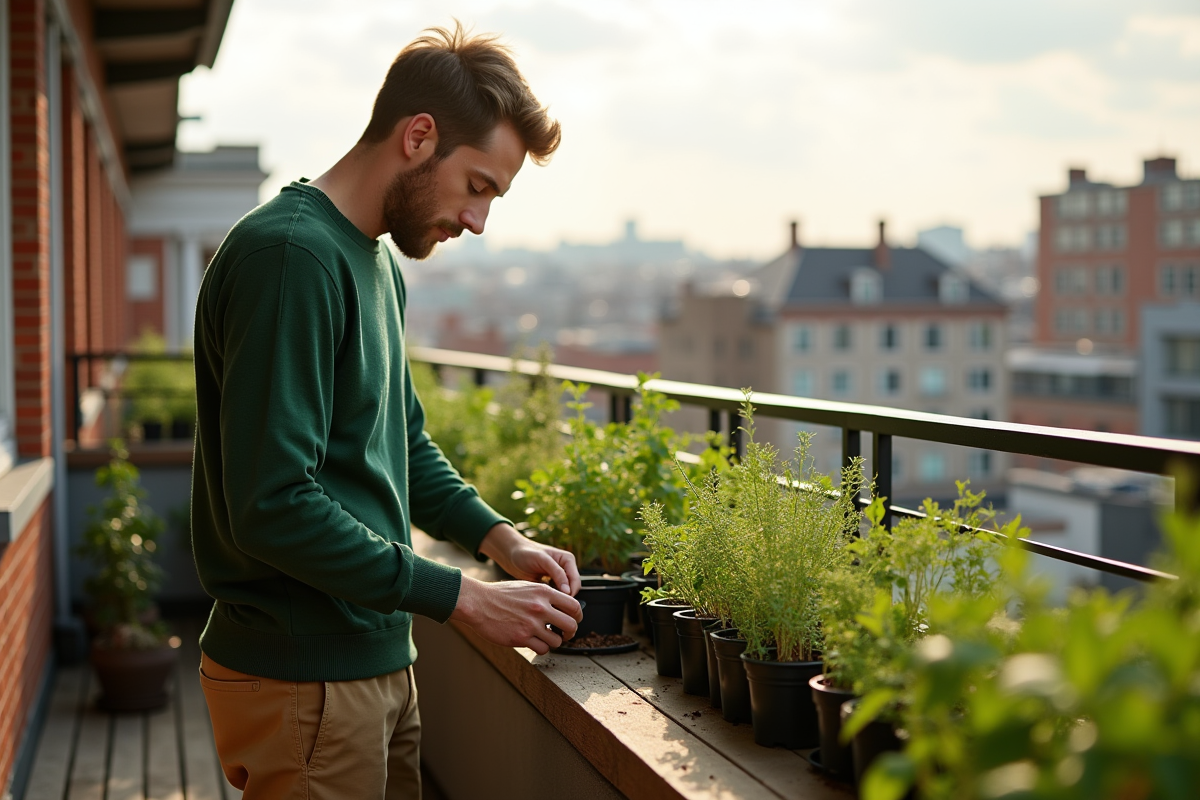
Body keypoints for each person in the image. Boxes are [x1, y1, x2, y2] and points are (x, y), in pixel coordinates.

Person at [190, 23, 582, 800]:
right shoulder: (292, 259)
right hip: (303, 678)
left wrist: (498, 539)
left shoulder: (372, 263)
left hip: (372, 660)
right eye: (477, 187)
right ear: (419, 136)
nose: (478, 223)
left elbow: (399, 442)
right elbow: (271, 506)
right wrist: (463, 597)